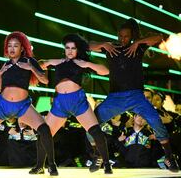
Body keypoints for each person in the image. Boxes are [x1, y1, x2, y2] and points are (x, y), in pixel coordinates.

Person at [89, 18, 179, 172]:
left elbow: (159, 37)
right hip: (115, 97)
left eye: (126, 36)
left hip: (136, 96)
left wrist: (138, 42)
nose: (123, 39)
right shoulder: (111, 47)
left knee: (156, 123)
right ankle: (97, 156)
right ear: (117, 35)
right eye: (121, 36)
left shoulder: (138, 47)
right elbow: (87, 45)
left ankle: (169, 158)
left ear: (131, 36)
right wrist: (103, 45)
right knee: (91, 123)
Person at [0, 31, 57, 176]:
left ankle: (47, 165)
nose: (12, 48)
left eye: (15, 45)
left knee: (45, 131)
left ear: (22, 48)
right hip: (2, 105)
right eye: (9, 45)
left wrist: (31, 68)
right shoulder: (6, 64)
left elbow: (45, 80)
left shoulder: (29, 62)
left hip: (22, 106)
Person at [36, 34, 112, 174]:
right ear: (64, 49)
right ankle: (41, 166)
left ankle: (106, 164)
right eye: (67, 48)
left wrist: (87, 64)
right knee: (45, 134)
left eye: (73, 48)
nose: (70, 51)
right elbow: (40, 63)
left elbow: (106, 71)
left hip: (77, 101)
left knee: (95, 131)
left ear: (78, 50)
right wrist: (40, 67)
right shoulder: (58, 62)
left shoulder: (81, 63)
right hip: (60, 103)